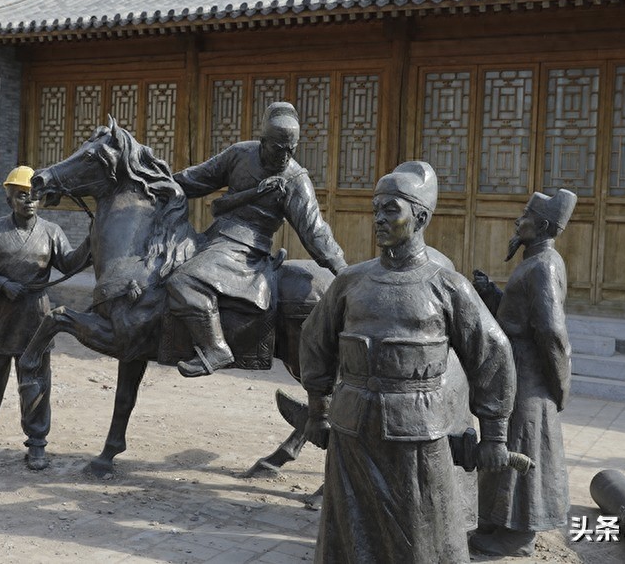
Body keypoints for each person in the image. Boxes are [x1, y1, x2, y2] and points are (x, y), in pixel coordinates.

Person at [300, 161, 517, 563]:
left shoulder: (447, 286)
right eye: (376, 210)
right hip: (352, 432)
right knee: (350, 533)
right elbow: (315, 343)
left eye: (391, 210)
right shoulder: (352, 282)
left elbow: (492, 354)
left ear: (420, 217)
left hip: (418, 434)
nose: (379, 219)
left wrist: (496, 436)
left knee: (421, 531)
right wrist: (318, 410)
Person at [167, 101, 346, 377]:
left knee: (184, 280)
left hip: (248, 247)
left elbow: (315, 230)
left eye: (292, 149)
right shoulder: (240, 154)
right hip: (216, 236)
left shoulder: (295, 179)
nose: (286, 156)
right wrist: (156, 181)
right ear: (263, 140)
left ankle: (215, 347)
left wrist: (343, 271)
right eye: (279, 148)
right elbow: (195, 180)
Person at [0, 165, 91, 470]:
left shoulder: (51, 232)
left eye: (33, 196)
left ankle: (37, 443)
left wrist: (92, 243)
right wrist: (2, 284)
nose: (28, 201)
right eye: (20, 196)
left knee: (35, 382)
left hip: (34, 319)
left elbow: (68, 263)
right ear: (9, 198)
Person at [469, 189, 577, 557]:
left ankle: (518, 533)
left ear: (543, 225)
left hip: (529, 374)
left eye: (526, 216)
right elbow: (520, 316)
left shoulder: (544, 265)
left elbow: (550, 331)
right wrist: (492, 294)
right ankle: (497, 521)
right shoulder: (532, 261)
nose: (518, 221)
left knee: (523, 444)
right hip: (513, 366)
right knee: (505, 442)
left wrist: (560, 384)